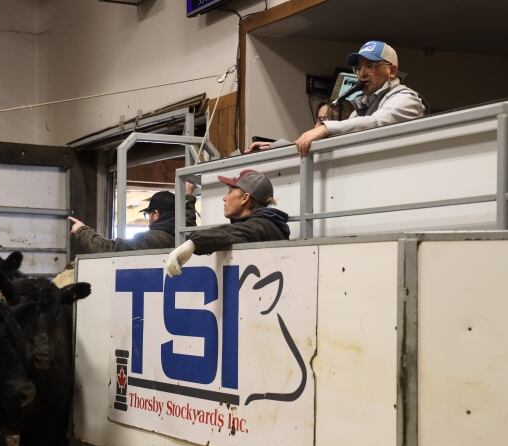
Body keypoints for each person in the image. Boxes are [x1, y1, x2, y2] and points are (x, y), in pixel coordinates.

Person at [295, 40, 425, 156]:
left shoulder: (407, 99)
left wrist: (326, 128)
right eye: (358, 68)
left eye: (370, 66)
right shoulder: (361, 107)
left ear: (392, 71)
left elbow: (376, 123)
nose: (362, 74)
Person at [165, 170, 289, 277]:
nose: (224, 198)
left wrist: (193, 243)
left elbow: (236, 231)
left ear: (245, 198)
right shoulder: (264, 224)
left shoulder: (263, 226)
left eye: (230, 191)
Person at [68, 182, 197, 253]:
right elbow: (188, 222)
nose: (148, 222)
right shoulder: (186, 237)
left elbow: (109, 249)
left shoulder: (151, 239)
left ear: (156, 214)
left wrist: (82, 230)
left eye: (148, 214)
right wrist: (187, 196)